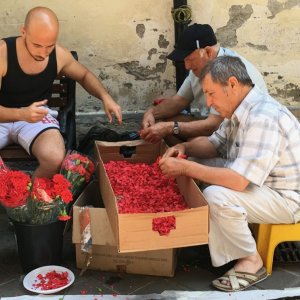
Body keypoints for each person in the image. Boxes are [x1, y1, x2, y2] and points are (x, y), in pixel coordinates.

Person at [159, 56, 300, 292]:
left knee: (216, 195)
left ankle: (251, 262)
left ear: (232, 84)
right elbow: (214, 145)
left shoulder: (263, 116)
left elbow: (237, 180)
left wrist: (185, 167)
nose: (209, 103)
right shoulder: (240, 110)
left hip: (287, 197)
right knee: (196, 161)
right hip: (265, 187)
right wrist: (184, 149)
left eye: (211, 93)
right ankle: (225, 237)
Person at [0, 6, 122, 178]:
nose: (43, 53)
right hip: (4, 116)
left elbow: (84, 75)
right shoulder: (3, 53)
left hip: (36, 118)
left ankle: (32, 200)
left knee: (55, 157)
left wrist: (105, 96)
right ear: (24, 32)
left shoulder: (59, 55)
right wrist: (21, 113)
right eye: (37, 45)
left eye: (49, 46)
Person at [140, 23, 267, 146]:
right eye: (184, 60)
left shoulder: (228, 71)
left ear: (208, 52)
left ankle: (187, 158)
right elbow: (178, 101)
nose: (186, 66)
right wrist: (151, 113)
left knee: (194, 141)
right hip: (214, 127)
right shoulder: (200, 68)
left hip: (237, 135)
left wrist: (171, 128)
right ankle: (183, 156)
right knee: (161, 123)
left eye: (189, 59)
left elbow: (213, 125)